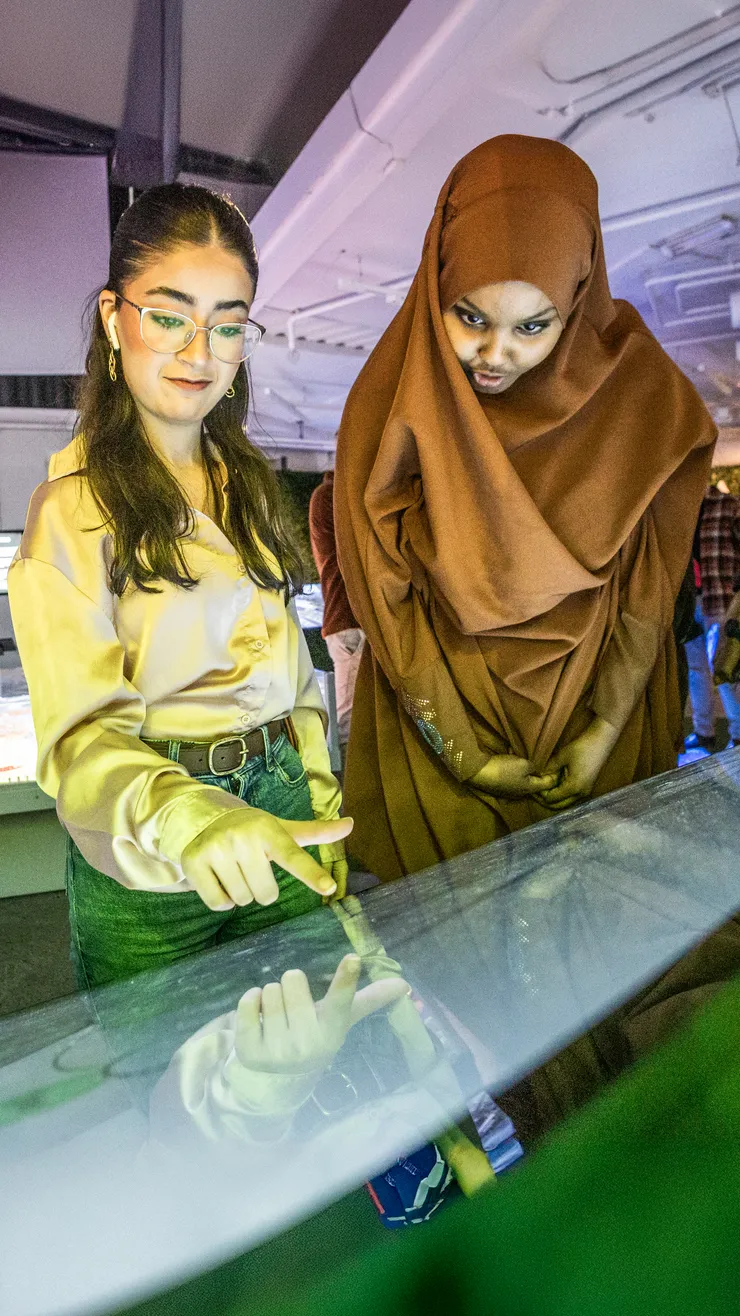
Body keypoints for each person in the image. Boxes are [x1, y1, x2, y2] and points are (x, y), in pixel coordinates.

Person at [334, 134, 715, 882]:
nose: (494, 354)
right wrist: (466, 754)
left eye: (532, 327)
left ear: (578, 300)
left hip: (602, 717)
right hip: (443, 743)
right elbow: (387, 597)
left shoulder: (644, 400)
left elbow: (648, 583)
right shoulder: (387, 409)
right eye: (468, 316)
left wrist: (606, 723)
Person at [8, 184, 351, 990]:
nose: (200, 352)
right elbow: (79, 743)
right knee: (171, 1095)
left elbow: (293, 676)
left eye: (228, 325)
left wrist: (316, 791)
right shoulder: (69, 512)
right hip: (152, 852)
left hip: (283, 808)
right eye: (169, 317)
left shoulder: (249, 484)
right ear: (111, 317)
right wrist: (189, 819)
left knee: (314, 1065)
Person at [308, 470, 365, 754]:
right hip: (350, 618)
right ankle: (351, 787)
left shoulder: (332, 495)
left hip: (347, 619)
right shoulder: (333, 496)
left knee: (353, 714)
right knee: (350, 719)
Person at [684, 480, 740, 753]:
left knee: (723, 669)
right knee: (696, 671)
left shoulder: (727, 505)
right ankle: (703, 732)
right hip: (688, 600)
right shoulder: (678, 508)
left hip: (719, 597)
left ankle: (739, 734)